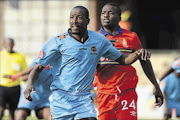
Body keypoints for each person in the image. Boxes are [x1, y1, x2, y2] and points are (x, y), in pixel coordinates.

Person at [24, 5, 151, 120]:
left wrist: (138, 53)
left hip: (83, 100)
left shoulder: (99, 40)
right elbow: (38, 67)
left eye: (79, 18)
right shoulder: (57, 41)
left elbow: (123, 60)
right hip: (62, 99)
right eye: (71, 17)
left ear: (87, 21)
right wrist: (29, 83)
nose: (74, 21)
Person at [93, 2, 164, 120]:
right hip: (104, 94)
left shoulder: (131, 37)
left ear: (119, 17)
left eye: (110, 13)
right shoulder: (93, 38)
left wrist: (156, 86)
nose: (106, 16)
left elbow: (144, 61)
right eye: (103, 13)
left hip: (127, 92)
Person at [7, 55, 52, 120]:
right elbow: (25, 76)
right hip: (30, 94)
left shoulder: (60, 63)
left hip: (44, 98)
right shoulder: (41, 55)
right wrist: (18, 75)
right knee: (20, 115)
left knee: (50, 116)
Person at [0, 38, 27, 120]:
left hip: (15, 87)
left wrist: (24, 80)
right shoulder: (1, 55)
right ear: (4, 45)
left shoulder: (20, 56)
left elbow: (25, 71)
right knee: (1, 109)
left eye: (10, 44)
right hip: (2, 86)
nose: (9, 46)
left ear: (13, 45)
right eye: (7, 44)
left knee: (12, 110)